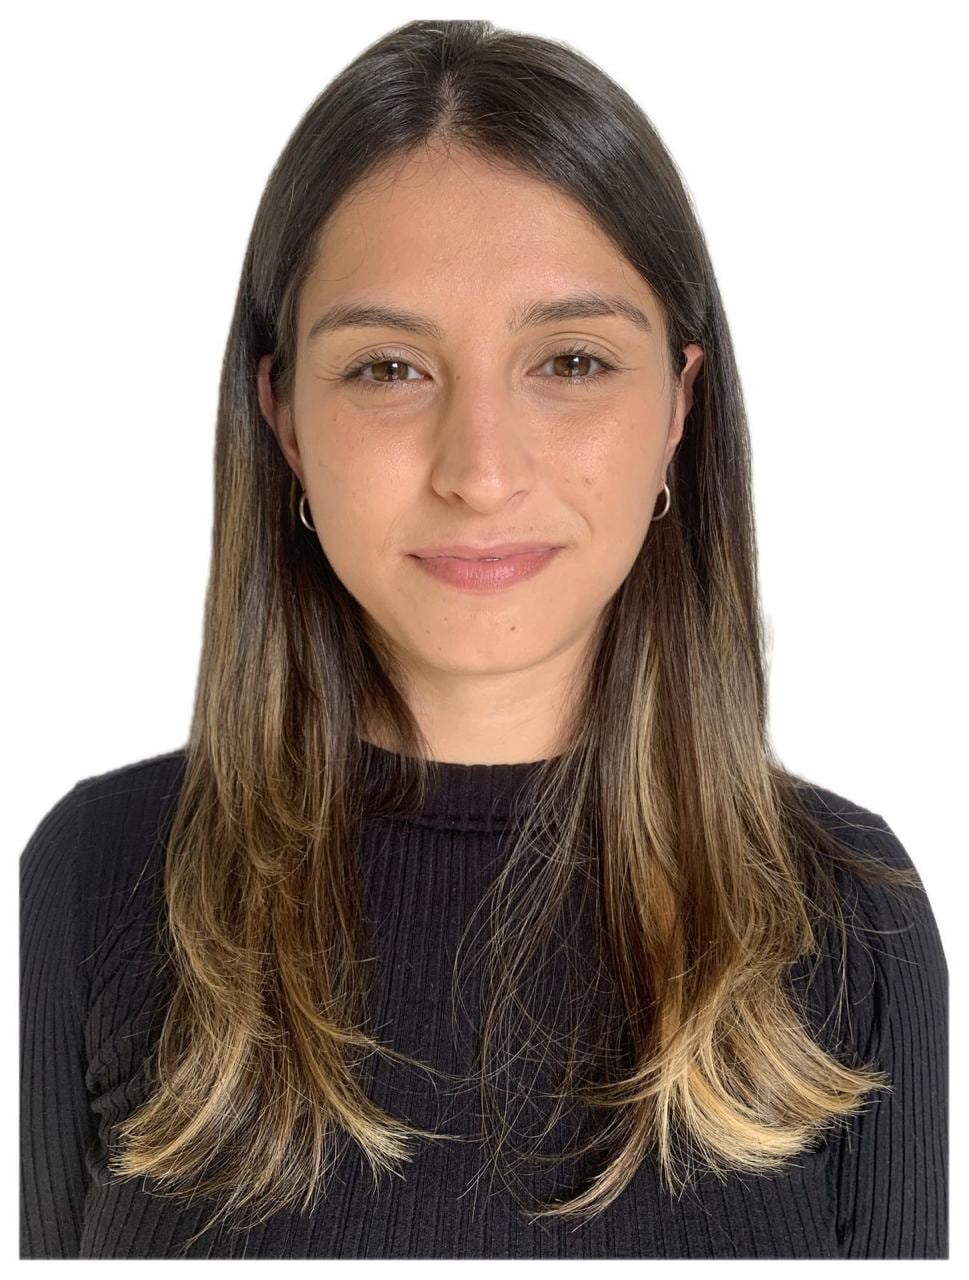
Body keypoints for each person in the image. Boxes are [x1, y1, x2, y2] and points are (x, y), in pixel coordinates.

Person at [20, 18, 947, 1260]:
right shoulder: (92, 880)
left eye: (571, 359)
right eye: (389, 368)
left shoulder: (852, 915)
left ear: (679, 405)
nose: (481, 470)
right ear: (283, 415)